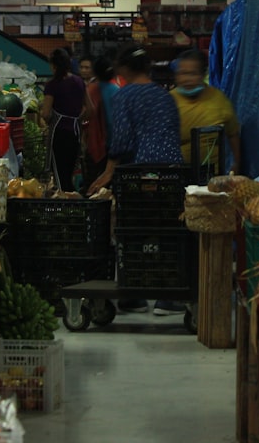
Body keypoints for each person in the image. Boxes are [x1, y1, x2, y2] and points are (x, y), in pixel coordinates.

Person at [87, 44, 184, 316]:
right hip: (171, 170)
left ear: (125, 69)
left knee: (133, 228)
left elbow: (122, 139)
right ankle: (168, 297)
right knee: (168, 229)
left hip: (140, 171)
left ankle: (134, 295)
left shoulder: (124, 95)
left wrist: (108, 171)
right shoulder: (165, 96)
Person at [170, 48, 241, 177]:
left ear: (203, 75)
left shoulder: (218, 100)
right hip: (177, 173)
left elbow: (233, 134)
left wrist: (236, 163)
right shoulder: (168, 102)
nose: (187, 79)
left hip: (212, 175)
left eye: (192, 74)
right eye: (183, 73)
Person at [41, 47, 87, 192]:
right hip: (75, 132)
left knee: (59, 175)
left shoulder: (52, 85)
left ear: (53, 65)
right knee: (69, 173)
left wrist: (49, 121)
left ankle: (64, 205)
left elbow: (46, 113)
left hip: (59, 133)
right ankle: (72, 200)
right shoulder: (79, 81)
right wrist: (76, 119)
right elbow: (89, 108)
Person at [81, 55, 120, 192]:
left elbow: (83, 115)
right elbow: (113, 121)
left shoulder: (90, 89)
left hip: (92, 145)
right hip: (112, 146)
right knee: (109, 185)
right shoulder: (116, 90)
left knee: (91, 183)